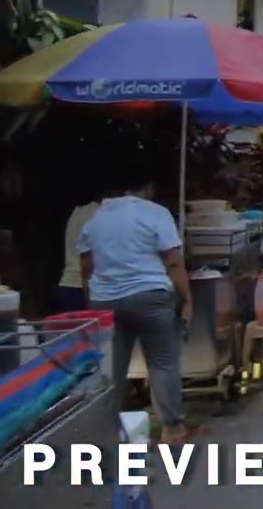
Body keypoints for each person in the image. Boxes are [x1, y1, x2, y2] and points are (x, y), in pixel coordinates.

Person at [78, 171, 193, 443]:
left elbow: (85, 266)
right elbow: (173, 261)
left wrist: (91, 303)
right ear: (148, 187)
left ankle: (108, 431)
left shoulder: (93, 220)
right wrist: (187, 298)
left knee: (113, 370)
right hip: (151, 295)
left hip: (105, 300)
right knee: (163, 363)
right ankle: (172, 429)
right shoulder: (155, 213)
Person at [60, 194, 104, 312]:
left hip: (67, 282)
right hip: (84, 287)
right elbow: (87, 263)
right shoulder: (99, 214)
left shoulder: (77, 212)